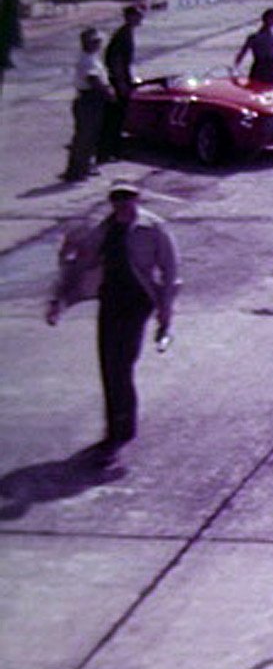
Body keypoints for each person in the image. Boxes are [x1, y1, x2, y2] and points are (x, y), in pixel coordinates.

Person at [46, 180, 179, 466]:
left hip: (138, 302)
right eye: (117, 198)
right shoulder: (103, 230)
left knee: (121, 363)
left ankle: (117, 433)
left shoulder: (153, 228)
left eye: (128, 197)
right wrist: (58, 300)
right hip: (111, 301)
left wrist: (165, 313)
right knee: (109, 364)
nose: (122, 204)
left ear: (137, 199)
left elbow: (170, 271)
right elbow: (78, 264)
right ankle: (120, 427)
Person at [64, 27, 111, 182]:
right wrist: (108, 93)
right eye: (96, 42)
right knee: (84, 137)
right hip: (89, 99)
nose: (99, 44)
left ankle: (85, 166)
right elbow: (93, 80)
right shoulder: (87, 61)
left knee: (91, 136)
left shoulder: (92, 57)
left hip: (92, 99)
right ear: (87, 43)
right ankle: (76, 171)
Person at [100, 2, 144, 161]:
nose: (141, 18)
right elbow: (116, 61)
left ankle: (113, 149)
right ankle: (108, 150)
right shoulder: (122, 35)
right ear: (130, 17)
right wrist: (121, 83)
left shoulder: (127, 33)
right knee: (114, 117)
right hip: (119, 82)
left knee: (118, 117)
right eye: (138, 15)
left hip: (123, 79)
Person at [234, 8, 273, 86]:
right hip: (261, 67)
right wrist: (236, 67)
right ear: (267, 19)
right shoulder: (255, 37)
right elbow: (243, 52)